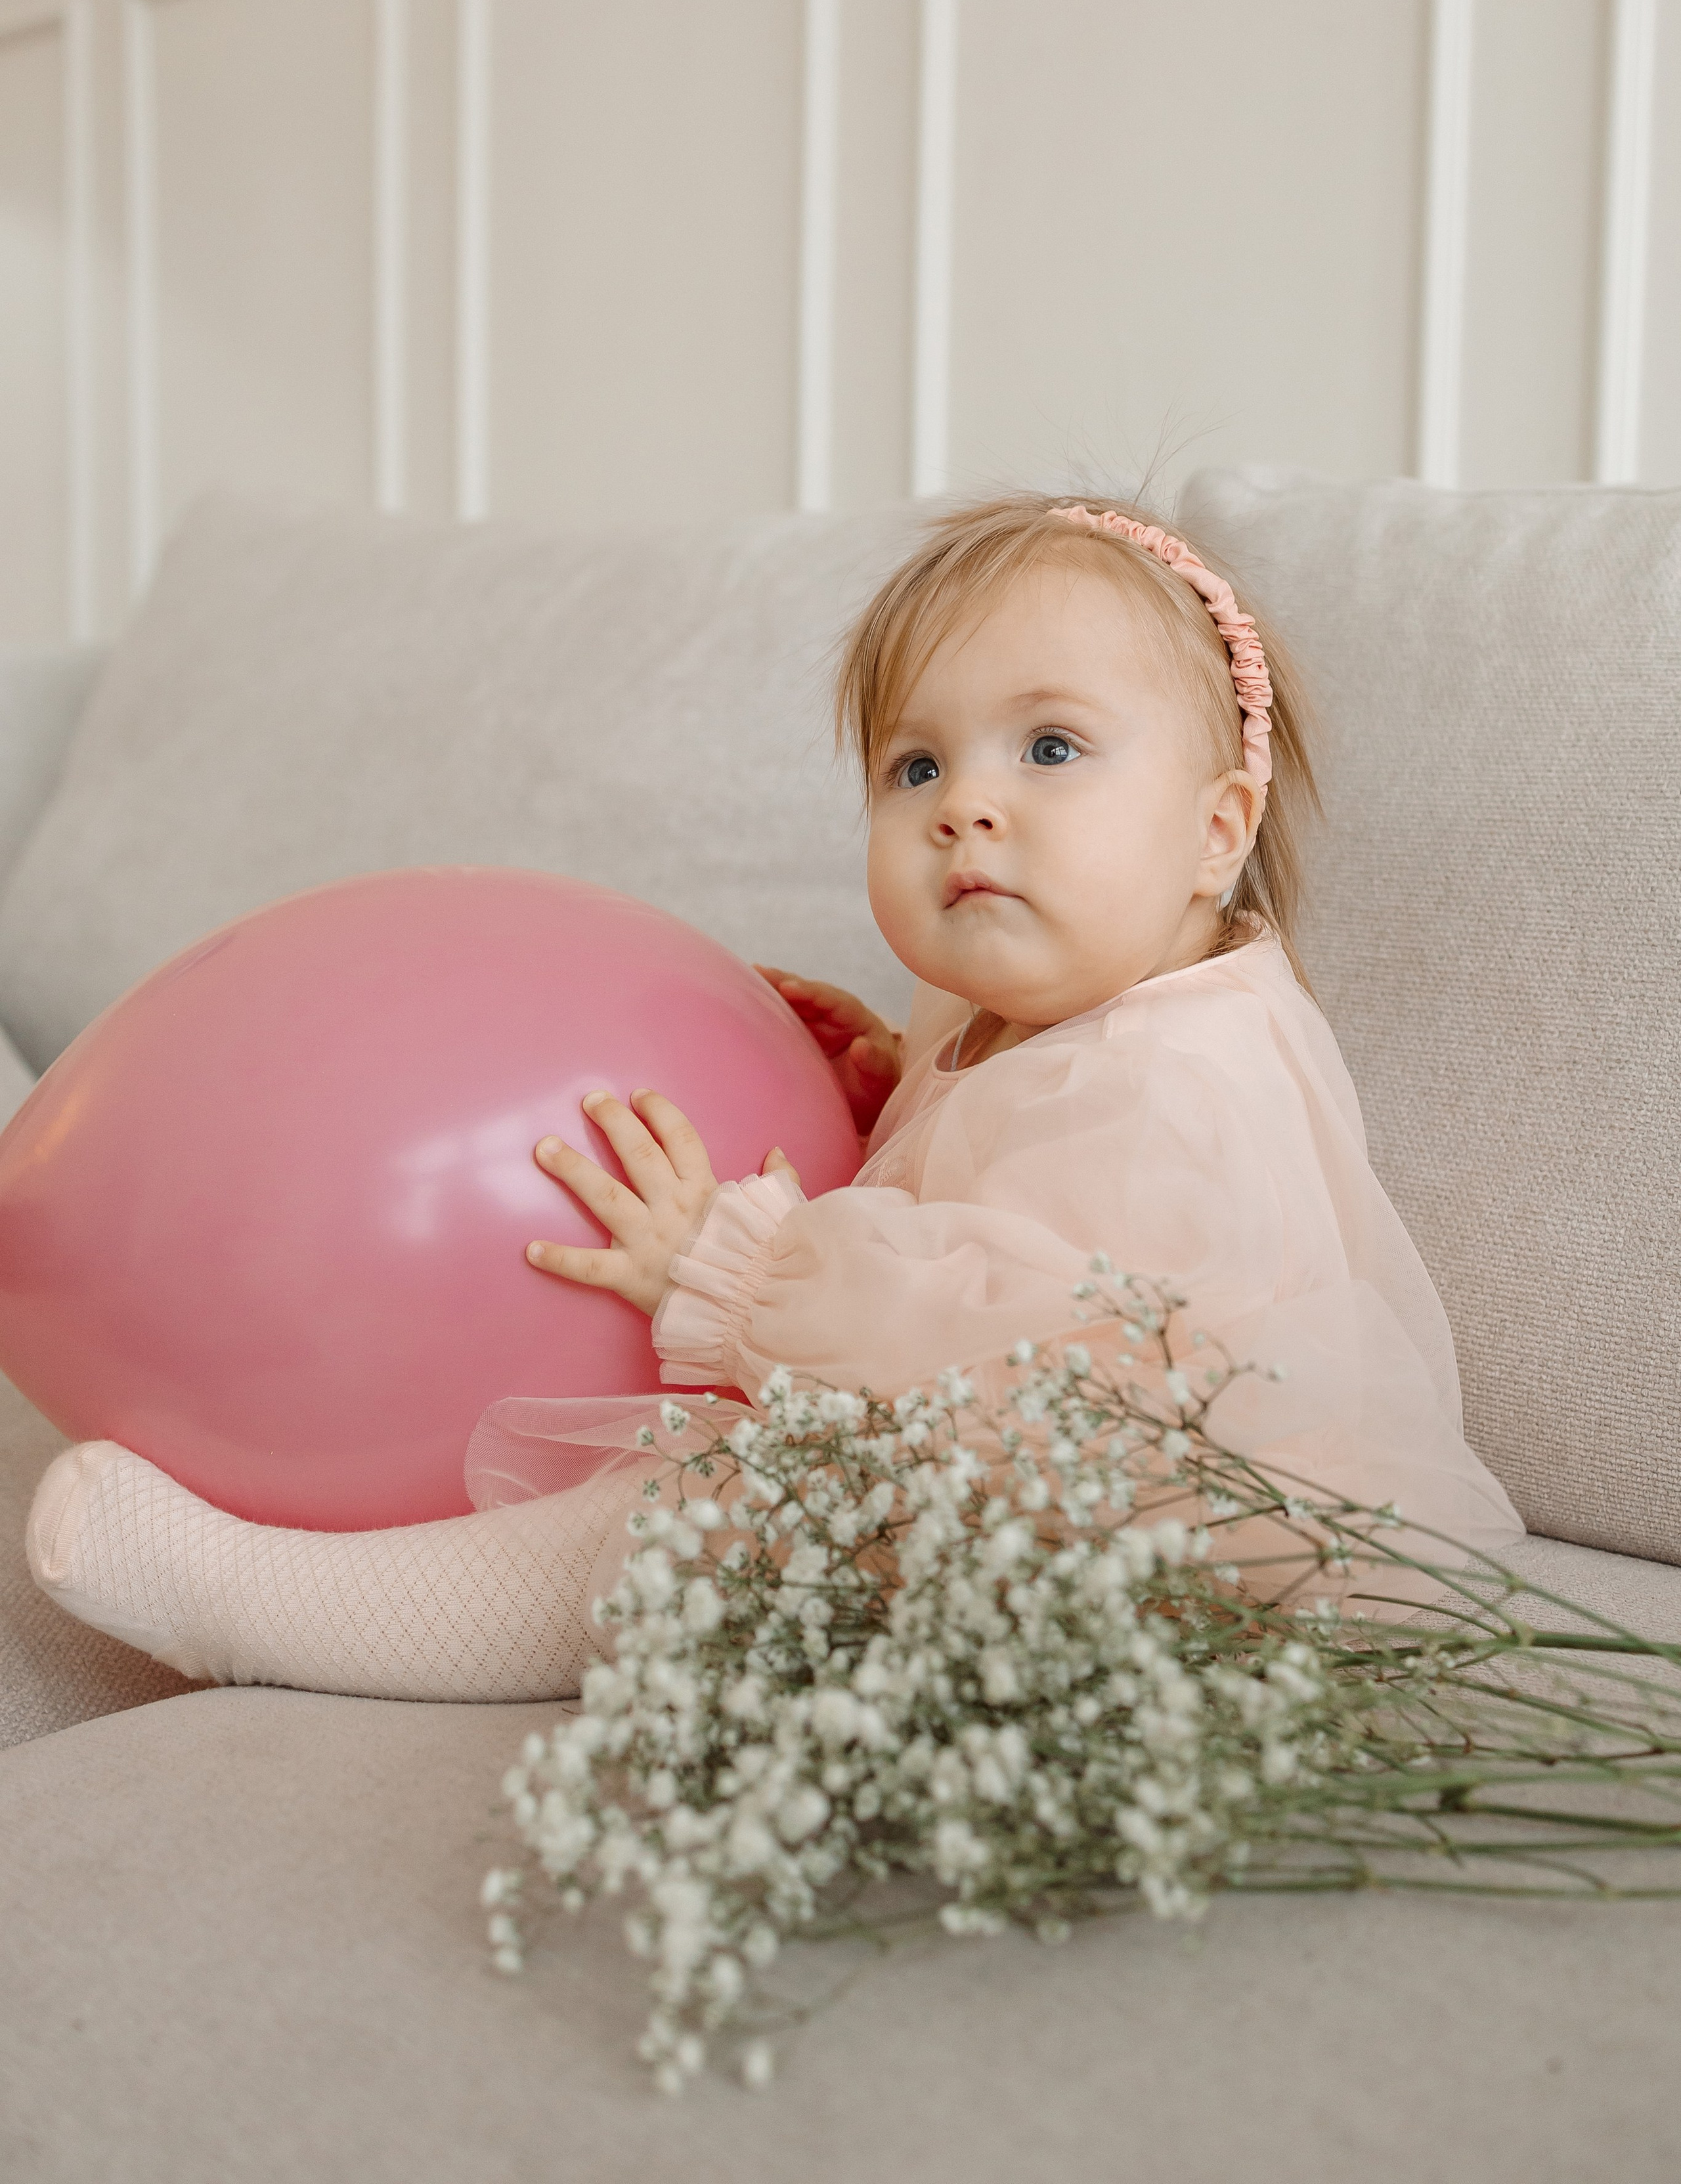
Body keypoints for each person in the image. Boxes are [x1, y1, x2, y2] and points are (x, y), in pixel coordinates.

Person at [25, 496, 1521, 1698]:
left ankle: (264, 1608)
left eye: (1050, 747)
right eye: (914, 766)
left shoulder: (1174, 1084)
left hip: (1158, 1540)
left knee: (694, 1514)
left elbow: (1021, 1339)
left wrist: (735, 1276)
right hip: (1000, 1472)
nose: (966, 803)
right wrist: (889, 1078)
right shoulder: (1042, 1003)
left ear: (1215, 831)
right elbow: (975, 1176)